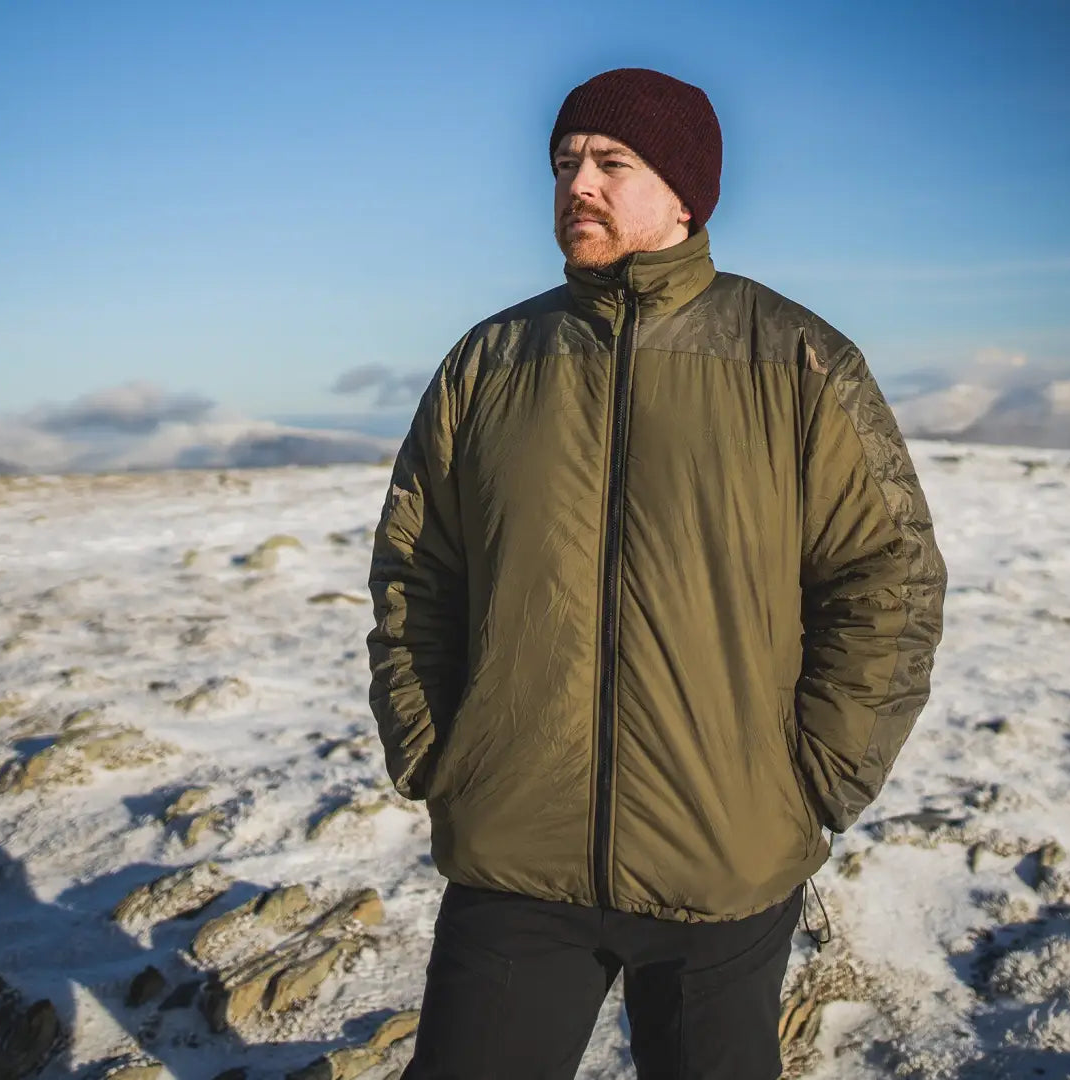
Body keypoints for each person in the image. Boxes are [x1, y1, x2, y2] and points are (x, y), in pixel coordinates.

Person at [365, 67, 947, 1079]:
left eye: (610, 162)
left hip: (723, 866)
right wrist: (436, 755)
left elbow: (885, 582)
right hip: (515, 859)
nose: (576, 183)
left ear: (684, 192)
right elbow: (418, 573)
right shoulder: (492, 361)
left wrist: (810, 780)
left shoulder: (799, 361)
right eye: (563, 162)